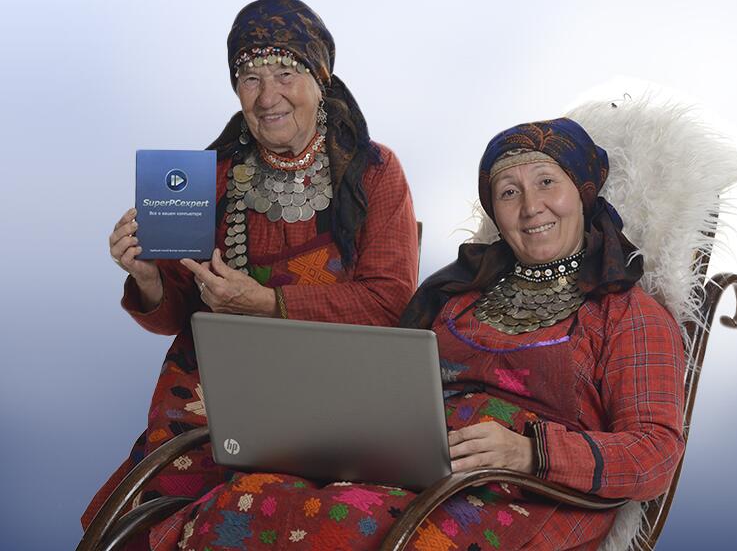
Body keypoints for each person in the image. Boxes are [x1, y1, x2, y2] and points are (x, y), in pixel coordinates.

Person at [144, 118, 685, 550]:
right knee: (245, 500)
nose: (530, 207)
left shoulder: (627, 315)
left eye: (547, 182)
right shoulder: (458, 294)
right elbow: (385, 381)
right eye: (508, 191)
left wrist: (528, 452)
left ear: (583, 193)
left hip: (526, 495)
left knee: (335, 528)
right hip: (405, 474)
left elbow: (657, 452)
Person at [81, 0, 419, 548]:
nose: (266, 97)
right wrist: (147, 277)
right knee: (145, 516)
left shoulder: (374, 171)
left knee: (275, 512)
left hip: (342, 392)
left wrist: (266, 304)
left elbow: (390, 303)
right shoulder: (208, 175)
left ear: (320, 78)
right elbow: (176, 317)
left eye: (285, 74)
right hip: (219, 390)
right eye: (249, 78)